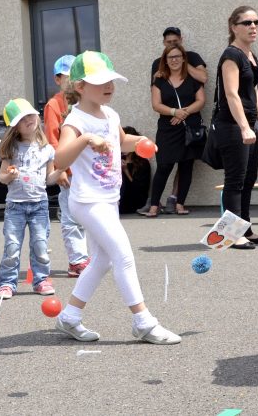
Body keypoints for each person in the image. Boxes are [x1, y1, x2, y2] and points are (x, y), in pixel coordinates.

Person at [54, 50, 181, 345]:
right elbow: (60, 159)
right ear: (80, 87)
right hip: (87, 201)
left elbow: (121, 140)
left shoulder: (110, 114)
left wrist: (142, 142)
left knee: (102, 261)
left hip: (108, 198)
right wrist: (86, 139)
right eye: (101, 82)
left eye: (111, 80)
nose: (109, 86)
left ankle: (69, 317)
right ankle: (143, 322)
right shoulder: (75, 121)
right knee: (123, 254)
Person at [213, 6, 258, 249]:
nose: (253, 26)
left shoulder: (251, 57)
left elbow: (254, 93)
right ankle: (232, 235)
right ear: (233, 27)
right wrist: (244, 127)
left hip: (248, 126)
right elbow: (231, 93)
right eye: (246, 22)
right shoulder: (232, 55)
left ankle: (244, 228)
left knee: (248, 179)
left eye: (256, 22)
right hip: (232, 126)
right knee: (235, 180)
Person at [0, 99, 64, 299]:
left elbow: (49, 179)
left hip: (39, 205)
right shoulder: (11, 148)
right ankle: (7, 283)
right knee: (12, 246)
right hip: (15, 206)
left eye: (31, 115)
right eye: (22, 118)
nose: (29, 120)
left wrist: (61, 170)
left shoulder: (47, 149)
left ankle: (41, 280)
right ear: (15, 125)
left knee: (41, 245)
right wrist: (10, 176)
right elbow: (1, 177)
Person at [147, 27, 208, 213]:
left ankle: (180, 204)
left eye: (177, 56)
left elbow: (201, 100)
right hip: (167, 128)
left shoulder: (192, 77)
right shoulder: (159, 79)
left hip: (190, 126)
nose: (174, 60)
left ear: (183, 57)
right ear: (164, 59)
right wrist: (174, 112)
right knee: (164, 165)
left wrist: (185, 112)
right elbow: (156, 104)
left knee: (186, 166)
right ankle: (154, 205)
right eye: (170, 57)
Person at [43, 54, 91, 277]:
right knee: (71, 216)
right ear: (58, 79)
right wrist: (58, 169)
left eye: (77, 77)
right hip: (68, 170)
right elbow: (52, 138)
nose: (72, 81)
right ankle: (77, 260)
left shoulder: (85, 102)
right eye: (68, 77)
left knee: (88, 215)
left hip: (87, 168)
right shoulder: (54, 104)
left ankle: (88, 255)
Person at [120, 126, 151, 214]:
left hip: (135, 201)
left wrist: (126, 171)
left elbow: (139, 188)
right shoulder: (118, 158)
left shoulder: (142, 162)